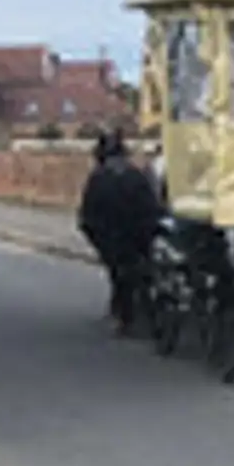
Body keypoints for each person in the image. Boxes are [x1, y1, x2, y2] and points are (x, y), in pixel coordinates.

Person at [76, 128, 162, 333]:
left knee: (119, 271)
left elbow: (89, 211)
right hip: (139, 229)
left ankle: (125, 315)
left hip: (111, 233)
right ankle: (139, 311)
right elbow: (150, 204)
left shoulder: (99, 177)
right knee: (137, 268)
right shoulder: (135, 174)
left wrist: (91, 230)